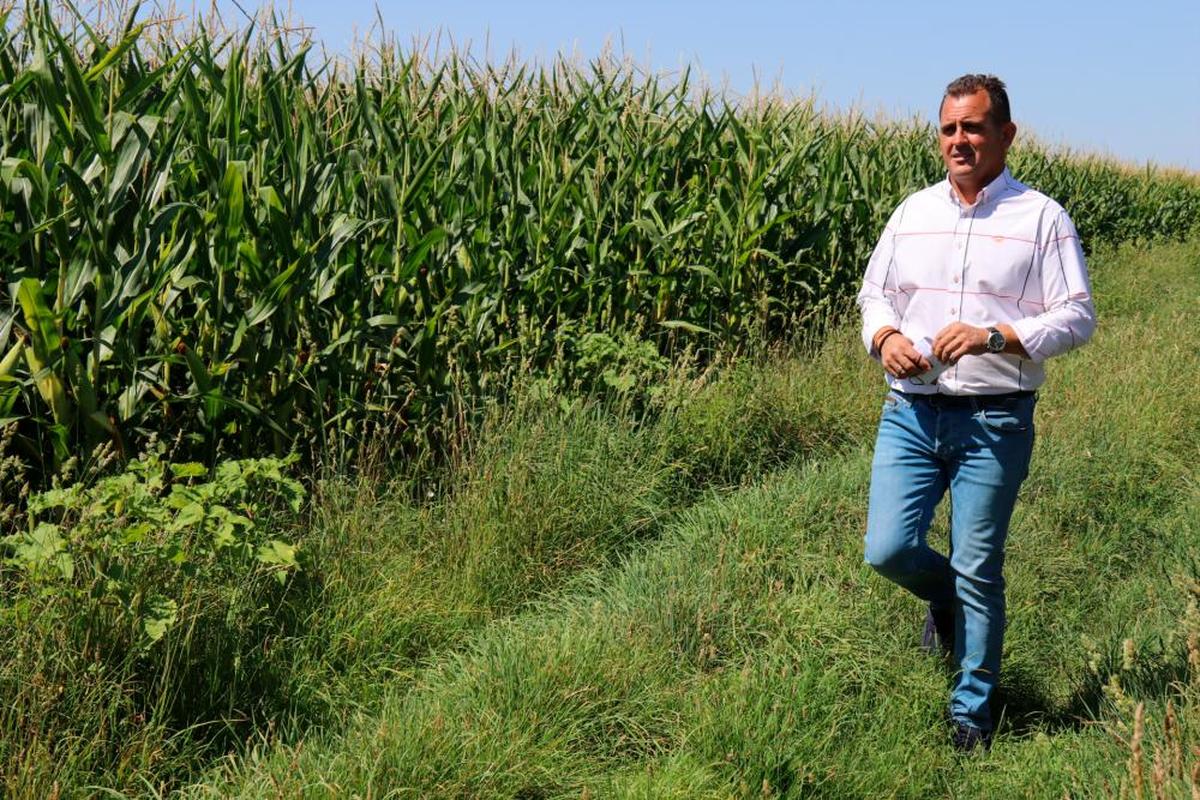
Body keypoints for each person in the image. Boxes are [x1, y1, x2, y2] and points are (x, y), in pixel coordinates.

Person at [855, 74, 1096, 751]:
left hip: (995, 417)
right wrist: (886, 337)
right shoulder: (912, 211)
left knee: (978, 565)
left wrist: (999, 336)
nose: (959, 141)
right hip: (910, 411)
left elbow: (1077, 317)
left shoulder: (1040, 218)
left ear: (1006, 135)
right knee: (888, 550)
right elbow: (876, 294)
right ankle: (946, 600)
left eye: (974, 128)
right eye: (949, 129)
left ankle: (972, 711)